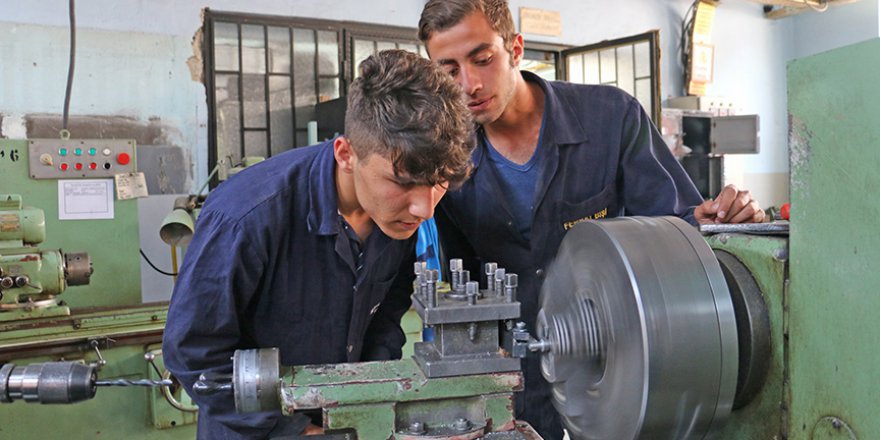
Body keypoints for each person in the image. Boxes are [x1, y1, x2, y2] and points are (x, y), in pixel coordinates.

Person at [417, 1, 765, 438]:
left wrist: (723, 220)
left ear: (516, 48)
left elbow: (677, 222)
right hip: (510, 369)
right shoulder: (447, 160)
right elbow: (459, 274)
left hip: (614, 356)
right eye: (448, 71)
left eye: (482, 59)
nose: (469, 84)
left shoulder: (610, 118)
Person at [162, 49, 474, 439]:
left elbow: (387, 314)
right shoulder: (247, 216)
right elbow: (193, 351)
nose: (425, 208)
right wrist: (293, 430)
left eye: (439, 182)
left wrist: (368, 394)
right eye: (404, 182)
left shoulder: (396, 218)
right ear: (346, 154)